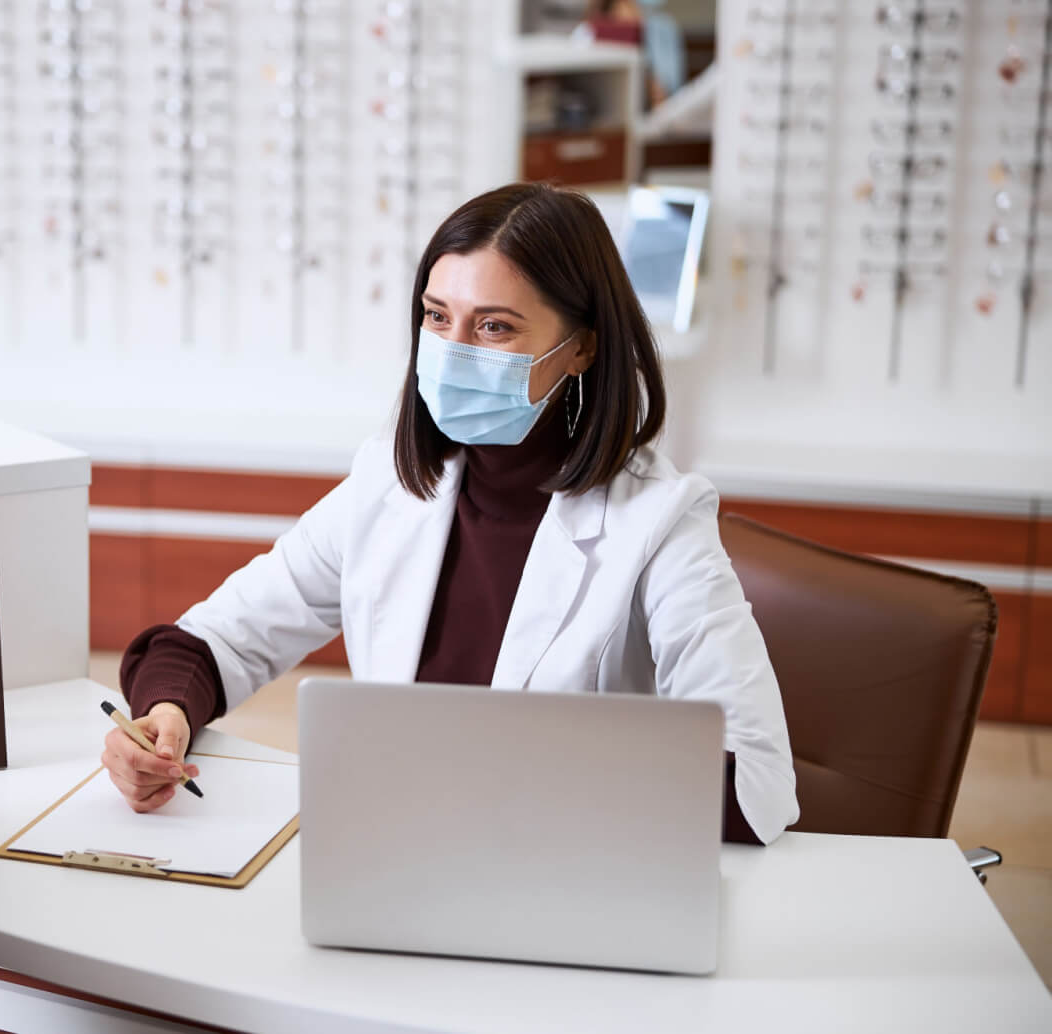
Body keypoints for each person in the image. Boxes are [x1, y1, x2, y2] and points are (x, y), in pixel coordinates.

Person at [103, 182, 798, 844]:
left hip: (558, 877)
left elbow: (756, 782)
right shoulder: (390, 483)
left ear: (581, 346)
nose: (454, 350)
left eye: (494, 327)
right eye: (438, 317)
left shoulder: (659, 524)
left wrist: (537, 777)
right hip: (394, 853)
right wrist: (165, 715)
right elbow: (210, 642)